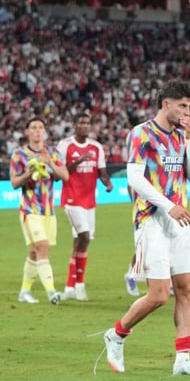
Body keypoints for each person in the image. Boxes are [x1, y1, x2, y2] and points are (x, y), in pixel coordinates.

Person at [101, 81, 190, 376]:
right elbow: (135, 178)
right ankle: (116, 335)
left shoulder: (180, 135)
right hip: (151, 218)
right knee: (160, 295)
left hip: (179, 220)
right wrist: (168, 206)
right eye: (183, 106)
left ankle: (183, 359)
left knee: (185, 289)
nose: (188, 112)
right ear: (166, 104)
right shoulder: (142, 133)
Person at [10, 117, 70, 305]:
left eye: (40, 127)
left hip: (48, 211)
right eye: (33, 127)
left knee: (35, 253)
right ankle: (52, 293)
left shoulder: (53, 152)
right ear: (27, 132)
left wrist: (49, 163)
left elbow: (65, 176)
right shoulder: (19, 154)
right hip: (30, 209)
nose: (37, 131)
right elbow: (14, 183)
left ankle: (24, 292)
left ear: (44, 131)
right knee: (42, 247)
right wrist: (29, 172)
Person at [56, 113, 114, 301]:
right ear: (74, 125)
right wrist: (79, 160)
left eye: (87, 123)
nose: (84, 126)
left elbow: (101, 171)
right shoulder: (65, 145)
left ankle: (70, 286)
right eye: (81, 122)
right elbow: (60, 173)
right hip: (72, 199)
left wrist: (107, 183)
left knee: (79, 242)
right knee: (84, 236)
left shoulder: (96, 147)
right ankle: (79, 284)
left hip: (89, 201)